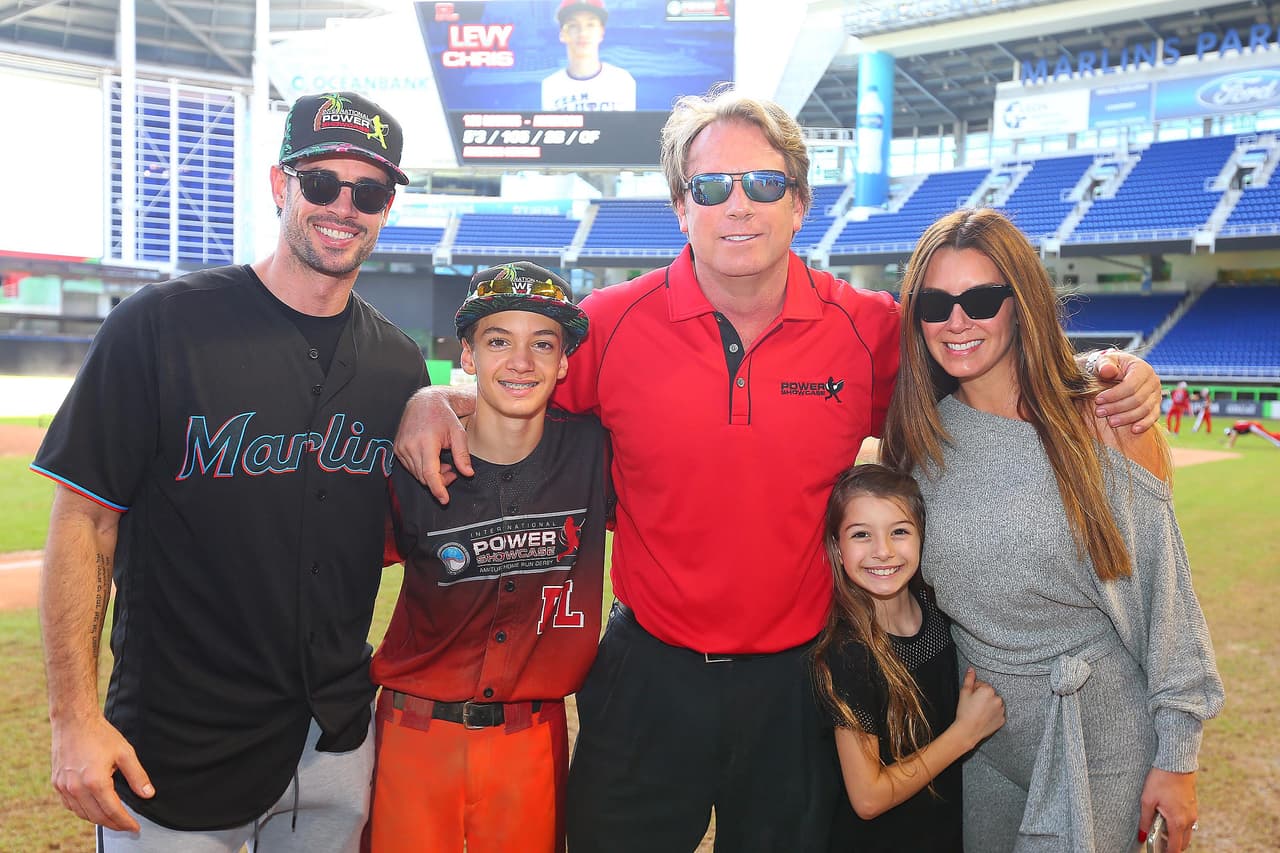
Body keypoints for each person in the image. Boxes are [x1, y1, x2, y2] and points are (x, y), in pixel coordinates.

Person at [394, 87, 1162, 852]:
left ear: (799, 203)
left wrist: (1096, 367)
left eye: (763, 184)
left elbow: (981, 365)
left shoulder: (866, 330)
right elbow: (513, 384)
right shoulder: (608, 324)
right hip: (649, 674)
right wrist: (434, 397)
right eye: (712, 186)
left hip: (801, 683)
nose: (739, 206)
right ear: (680, 206)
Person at [30, 91, 428, 851]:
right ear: (281, 187)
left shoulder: (397, 361)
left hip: (334, 741)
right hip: (178, 749)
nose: (344, 206)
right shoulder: (160, 325)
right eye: (322, 184)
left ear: (384, 210)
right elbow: (84, 521)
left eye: (369, 192)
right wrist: (73, 716)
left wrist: (441, 397)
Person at [881, 208, 1224, 853]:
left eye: (982, 299)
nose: (957, 322)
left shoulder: (1101, 417)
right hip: (983, 742)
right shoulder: (917, 440)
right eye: (936, 303)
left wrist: (1178, 758)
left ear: (1022, 302)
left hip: (1099, 745)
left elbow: (1165, 599)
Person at [365, 261, 607, 853]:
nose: (521, 362)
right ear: (468, 356)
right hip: (414, 734)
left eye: (542, 344)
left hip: (532, 735)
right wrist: (423, 399)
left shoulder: (596, 452)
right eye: (499, 341)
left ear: (565, 361)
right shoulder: (413, 460)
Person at [811, 463, 1005, 852]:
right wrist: (964, 734)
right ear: (837, 547)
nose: (882, 551)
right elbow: (868, 798)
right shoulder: (848, 654)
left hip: (943, 835)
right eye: (861, 535)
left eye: (899, 531)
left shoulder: (937, 613)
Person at [541, 0, 636, 112]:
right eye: (573, 26)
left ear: (601, 33)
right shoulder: (551, 86)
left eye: (590, 25)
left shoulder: (622, 81)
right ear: (562, 34)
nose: (583, 33)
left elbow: (628, 129)